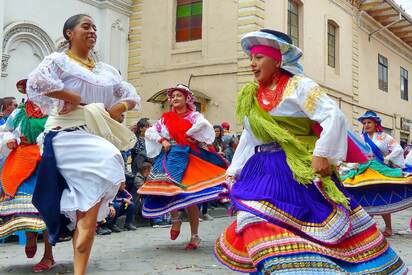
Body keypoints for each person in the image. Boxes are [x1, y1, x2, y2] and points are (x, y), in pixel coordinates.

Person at [214, 29, 406, 274]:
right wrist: (234, 169)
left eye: (259, 57)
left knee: (307, 228)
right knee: (253, 220)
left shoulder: (299, 85)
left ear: (277, 60)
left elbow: (332, 115)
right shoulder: (251, 95)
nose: (252, 64)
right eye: (251, 58)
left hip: (296, 169)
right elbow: (250, 137)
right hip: (262, 169)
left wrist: (322, 153)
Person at [26, 14, 140, 275]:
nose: (92, 32)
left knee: (87, 215)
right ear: (69, 33)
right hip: (64, 135)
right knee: (112, 156)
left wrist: (119, 107)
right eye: (85, 26)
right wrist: (69, 96)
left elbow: (131, 95)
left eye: (95, 28)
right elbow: (35, 82)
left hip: (92, 136)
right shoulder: (59, 61)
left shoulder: (105, 71)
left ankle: (80, 271)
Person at [138, 84, 227, 249]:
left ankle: (195, 236)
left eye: (179, 95)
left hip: (189, 156)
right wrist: (162, 140)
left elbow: (203, 126)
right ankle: (176, 219)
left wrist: (190, 135)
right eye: (173, 96)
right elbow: (151, 132)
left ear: (187, 98)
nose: (175, 99)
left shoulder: (194, 116)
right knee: (167, 189)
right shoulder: (165, 118)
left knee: (190, 198)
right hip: (170, 156)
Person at [0, 79, 55, 272]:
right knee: (20, 200)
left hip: (45, 159)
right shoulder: (19, 112)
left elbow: (58, 131)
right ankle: (30, 235)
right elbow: (5, 130)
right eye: (32, 89)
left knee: (47, 206)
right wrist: (11, 140)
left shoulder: (53, 110)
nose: (36, 92)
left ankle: (49, 255)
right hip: (22, 157)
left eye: (40, 88)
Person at [342, 111, 412, 237]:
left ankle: (388, 228)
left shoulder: (384, 137)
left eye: (369, 122)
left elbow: (398, 149)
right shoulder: (360, 137)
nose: (366, 125)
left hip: (379, 169)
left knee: (382, 195)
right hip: (363, 169)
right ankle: (367, 227)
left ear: (375, 123)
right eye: (364, 123)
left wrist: (388, 157)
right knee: (364, 196)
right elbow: (353, 151)